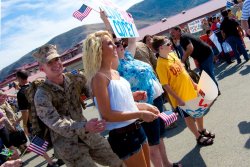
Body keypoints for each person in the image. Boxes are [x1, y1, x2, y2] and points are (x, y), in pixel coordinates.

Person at [100, 11, 181, 167]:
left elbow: (131, 39)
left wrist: (129, 23)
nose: (120, 46)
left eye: (120, 43)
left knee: (159, 138)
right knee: (152, 144)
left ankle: (167, 164)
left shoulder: (128, 57)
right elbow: (107, 40)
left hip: (154, 101)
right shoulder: (115, 66)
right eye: (115, 45)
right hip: (142, 104)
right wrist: (107, 23)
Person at [32, 44, 123, 167]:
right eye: (49, 63)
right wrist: (85, 126)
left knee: (118, 161)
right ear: (42, 69)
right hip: (68, 146)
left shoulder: (76, 79)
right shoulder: (42, 94)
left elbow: (96, 95)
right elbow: (55, 123)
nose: (55, 64)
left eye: (57, 59)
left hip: (90, 135)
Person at [152, 36, 215, 146]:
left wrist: (194, 84)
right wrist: (178, 99)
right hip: (180, 97)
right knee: (189, 117)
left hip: (190, 90)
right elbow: (166, 86)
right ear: (161, 47)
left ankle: (201, 129)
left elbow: (184, 71)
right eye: (168, 44)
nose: (170, 45)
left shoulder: (172, 55)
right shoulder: (160, 65)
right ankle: (198, 137)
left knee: (200, 109)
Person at [170, 26, 220, 94]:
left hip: (206, 55)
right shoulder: (182, 38)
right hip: (202, 56)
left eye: (173, 32)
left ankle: (215, 91)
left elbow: (190, 48)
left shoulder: (183, 37)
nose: (171, 34)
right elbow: (186, 50)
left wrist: (183, 60)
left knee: (208, 74)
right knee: (204, 74)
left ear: (178, 30)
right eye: (170, 33)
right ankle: (212, 90)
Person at [15, 70, 31, 137]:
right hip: (43, 118)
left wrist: (24, 126)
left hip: (32, 123)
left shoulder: (20, 93)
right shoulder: (33, 85)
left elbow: (25, 111)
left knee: (39, 146)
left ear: (19, 78)